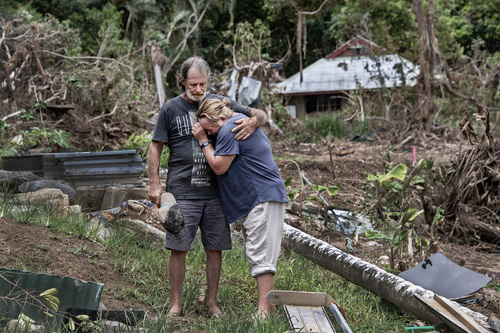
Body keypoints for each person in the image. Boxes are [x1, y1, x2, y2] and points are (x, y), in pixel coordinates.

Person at [148, 56, 268, 318]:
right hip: (183, 191)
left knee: (215, 248)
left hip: (216, 193)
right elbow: (155, 146)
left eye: (203, 84)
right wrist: (155, 182)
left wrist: (254, 121)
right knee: (178, 246)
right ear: (182, 82)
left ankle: (211, 304)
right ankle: (176, 304)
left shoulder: (220, 103)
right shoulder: (170, 109)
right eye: (193, 84)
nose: (199, 90)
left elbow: (260, 114)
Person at [192, 98, 287, 320]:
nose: (210, 132)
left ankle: (263, 314)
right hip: (265, 195)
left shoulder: (228, 129)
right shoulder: (238, 121)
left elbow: (218, 166)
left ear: (221, 118)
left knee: (260, 255)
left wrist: (203, 140)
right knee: (260, 252)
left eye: (210, 128)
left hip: (260, 196)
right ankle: (269, 310)